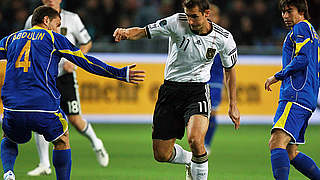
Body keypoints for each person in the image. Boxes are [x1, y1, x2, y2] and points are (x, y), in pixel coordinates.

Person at [0, 5, 144, 180]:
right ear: (46, 21)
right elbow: (86, 62)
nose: (58, 28)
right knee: (62, 140)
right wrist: (119, 73)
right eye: (57, 24)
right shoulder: (53, 38)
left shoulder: (10, 39)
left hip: (13, 107)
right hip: (43, 106)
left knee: (8, 136)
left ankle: (8, 172)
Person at [113, 0, 240, 179]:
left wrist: (233, 104)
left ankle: (198, 163)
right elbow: (144, 32)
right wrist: (126, 32)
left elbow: (230, 70)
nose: (190, 21)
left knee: (196, 140)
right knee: (161, 154)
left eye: (194, 16)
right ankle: (191, 160)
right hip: (170, 90)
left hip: (198, 91)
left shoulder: (224, 38)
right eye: (188, 16)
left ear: (207, 14)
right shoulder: (176, 22)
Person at [24, 0, 109, 176]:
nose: (50, 1)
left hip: (65, 76)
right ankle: (44, 164)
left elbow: (86, 42)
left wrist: (74, 61)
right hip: (43, 77)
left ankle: (96, 143)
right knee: (41, 116)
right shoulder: (32, 20)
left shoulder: (72, 19)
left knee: (75, 120)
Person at [265, 0, 320, 179]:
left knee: (276, 142)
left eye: (290, 11)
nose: (285, 16)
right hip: (307, 96)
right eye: (283, 12)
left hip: (296, 94)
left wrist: (277, 76)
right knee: (290, 152)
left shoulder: (301, 28)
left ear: (302, 11)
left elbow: (302, 59)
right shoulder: (312, 32)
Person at [204, 4, 224, 155]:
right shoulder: (198, 35)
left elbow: (229, 66)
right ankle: (199, 140)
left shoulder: (223, 38)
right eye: (208, 15)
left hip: (215, 82)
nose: (211, 18)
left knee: (212, 114)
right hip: (199, 80)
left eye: (214, 15)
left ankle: (207, 144)